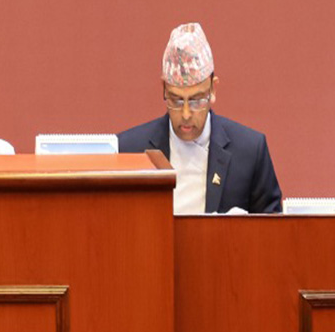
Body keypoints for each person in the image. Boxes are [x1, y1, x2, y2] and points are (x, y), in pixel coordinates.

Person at [115, 22, 282, 214]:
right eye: (176, 100)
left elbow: (273, 233)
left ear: (213, 89)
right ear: (163, 89)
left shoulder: (250, 151)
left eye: (196, 100)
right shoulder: (129, 151)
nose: (186, 114)